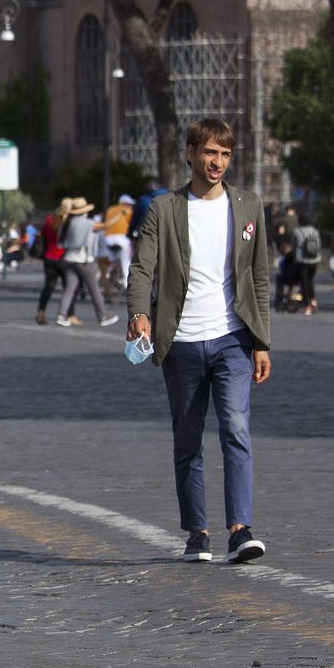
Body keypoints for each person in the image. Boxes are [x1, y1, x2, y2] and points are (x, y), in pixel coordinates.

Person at [125, 118, 274, 566]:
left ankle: (240, 529)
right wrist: (138, 313)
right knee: (188, 440)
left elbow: (258, 278)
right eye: (210, 152)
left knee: (237, 429)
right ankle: (197, 533)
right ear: (190, 153)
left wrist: (261, 340)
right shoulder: (164, 209)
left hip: (232, 339)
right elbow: (142, 268)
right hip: (182, 342)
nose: (217, 162)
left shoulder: (248, 207)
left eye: (225, 154)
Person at [54, 196, 117, 329]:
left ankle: (61, 315)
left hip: (68, 258)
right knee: (94, 289)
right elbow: (106, 226)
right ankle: (103, 316)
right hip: (83, 260)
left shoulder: (67, 222)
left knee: (69, 289)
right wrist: (120, 216)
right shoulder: (87, 223)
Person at [34, 201, 68, 325]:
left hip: (49, 257)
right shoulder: (64, 223)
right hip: (62, 257)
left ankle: (41, 311)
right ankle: (67, 313)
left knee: (48, 286)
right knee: (68, 287)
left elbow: (43, 237)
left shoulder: (48, 221)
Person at [100, 195, 134, 288]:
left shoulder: (110, 209)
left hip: (108, 238)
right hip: (122, 237)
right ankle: (126, 283)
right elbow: (132, 223)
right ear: (126, 204)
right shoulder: (128, 210)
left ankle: (107, 274)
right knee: (126, 261)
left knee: (110, 260)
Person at [293, 219, 323, 315]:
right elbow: (319, 244)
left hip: (303, 260)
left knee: (304, 283)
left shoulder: (298, 231)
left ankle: (307, 306)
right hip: (314, 260)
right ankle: (313, 300)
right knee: (310, 281)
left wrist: (295, 258)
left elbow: (295, 245)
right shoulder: (315, 231)